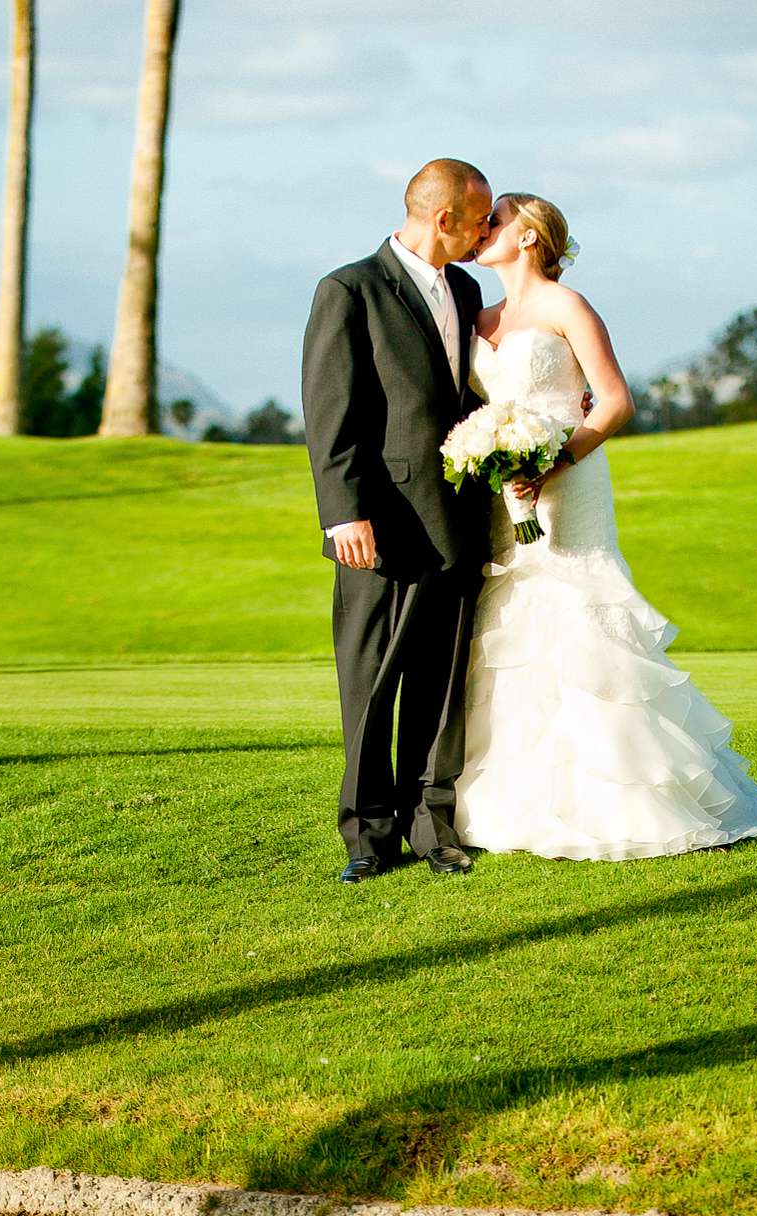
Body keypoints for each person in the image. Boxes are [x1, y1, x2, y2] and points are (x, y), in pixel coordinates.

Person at [456, 194, 757, 860]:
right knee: (514, 619)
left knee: (577, 612)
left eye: (493, 221)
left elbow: (614, 400)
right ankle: (515, 801)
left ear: (527, 235)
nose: (479, 230)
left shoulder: (566, 307)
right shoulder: (478, 316)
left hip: (566, 479)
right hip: (504, 488)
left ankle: (627, 796)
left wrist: (553, 461)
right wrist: (492, 455)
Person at [301, 159, 493, 882]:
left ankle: (430, 824)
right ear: (442, 219)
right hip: (380, 523)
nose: (484, 233)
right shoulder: (347, 289)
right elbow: (331, 412)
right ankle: (366, 836)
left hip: (457, 516)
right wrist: (342, 513)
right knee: (371, 683)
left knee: (440, 686)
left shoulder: (467, 288)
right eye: (477, 221)